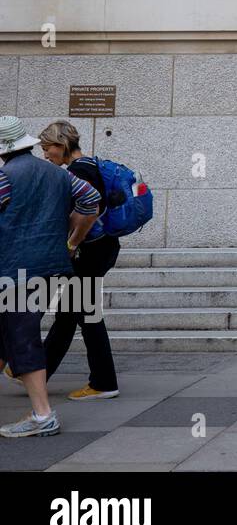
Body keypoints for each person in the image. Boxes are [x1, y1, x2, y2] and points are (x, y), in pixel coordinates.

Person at [0, 117, 101, 438]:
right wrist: (70, 242)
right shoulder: (61, 175)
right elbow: (91, 203)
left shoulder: (4, 177)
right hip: (52, 268)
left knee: (22, 339)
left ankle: (43, 416)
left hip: (14, 272)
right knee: (17, 336)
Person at [37, 121, 122, 400]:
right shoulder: (90, 164)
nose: (46, 154)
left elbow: (89, 211)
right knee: (71, 313)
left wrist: (71, 244)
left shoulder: (78, 171)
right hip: (101, 249)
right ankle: (35, 372)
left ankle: (103, 382)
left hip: (89, 252)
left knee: (87, 316)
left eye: (47, 148)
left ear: (61, 145)